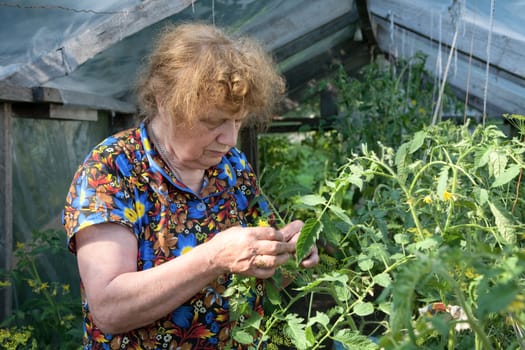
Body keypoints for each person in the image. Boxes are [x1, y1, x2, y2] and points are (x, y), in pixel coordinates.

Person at [62, 22, 319, 349]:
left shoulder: (233, 167)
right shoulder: (113, 170)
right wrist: (213, 257)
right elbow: (110, 309)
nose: (229, 138)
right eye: (212, 122)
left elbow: (266, 273)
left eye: (237, 120)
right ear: (165, 100)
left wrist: (289, 251)